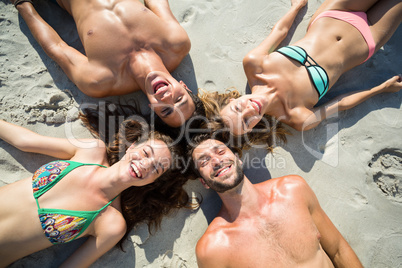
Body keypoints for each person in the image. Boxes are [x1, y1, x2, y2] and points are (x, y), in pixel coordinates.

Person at [0, 118, 193, 267]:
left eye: (156, 169)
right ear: (132, 146)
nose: (145, 165)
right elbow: (25, 141)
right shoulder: (92, 150)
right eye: (145, 153)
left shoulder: (111, 224)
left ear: (152, 181)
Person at [207, 0, 402, 134]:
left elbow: (280, 32)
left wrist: (296, 7)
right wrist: (380, 89)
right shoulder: (298, 118)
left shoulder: (254, 64)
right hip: (368, 40)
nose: (249, 111)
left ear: (233, 99)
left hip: (337, 12)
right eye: (246, 122)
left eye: (238, 108)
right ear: (252, 129)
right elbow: (340, 104)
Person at [11, 0, 203, 127]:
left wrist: (21, 3)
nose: (166, 97)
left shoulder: (100, 81)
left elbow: (57, 47)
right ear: (184, 87)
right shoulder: (176, 43)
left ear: (153, 108)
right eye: (179, 99)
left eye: (166, 110)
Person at [188, 135, 363, 267]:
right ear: (204, 182)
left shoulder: (293, 190)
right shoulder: (212, 248)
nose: (217, 161)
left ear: (238, 159)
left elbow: (338, 250)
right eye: (204, 162)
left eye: (220, 152)